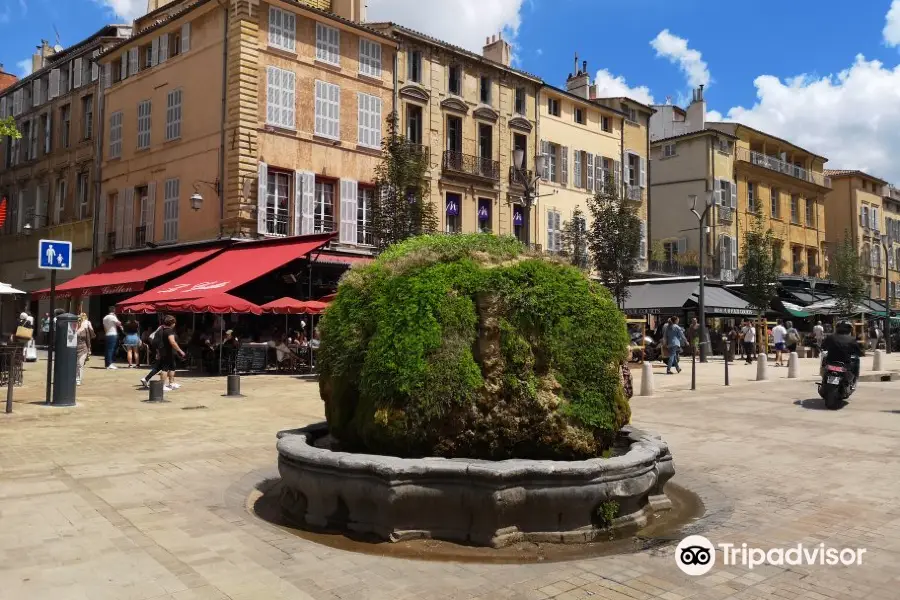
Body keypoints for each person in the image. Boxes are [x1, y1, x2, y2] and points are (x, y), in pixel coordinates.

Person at [822, 321, 862, 385]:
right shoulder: (852, 339)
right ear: (849, 330)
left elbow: (823, 346)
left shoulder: (830, 337)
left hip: (830, 362)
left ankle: (824, 378)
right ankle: (854, 380)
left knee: (824, 358)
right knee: (856, 360)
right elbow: (858, 352)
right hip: (845, 364)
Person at [75, 313, 95, 386]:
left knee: (79, 364)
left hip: (83, 348)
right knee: (74, 364)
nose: (79, 320)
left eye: (81, 319)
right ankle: (73, 377)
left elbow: (90, 337)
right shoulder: (73, 327)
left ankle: (78, 379)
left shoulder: (85, 327)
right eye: (78, 319)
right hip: (74, 348)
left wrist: (89, 349)